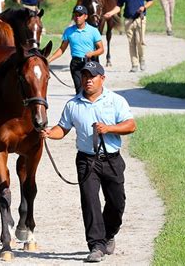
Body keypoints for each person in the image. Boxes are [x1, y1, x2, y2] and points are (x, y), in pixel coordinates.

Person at [40, 61, 136, 263]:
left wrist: (109, 129)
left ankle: (109, 234)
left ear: (102, 78)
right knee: (90, 202)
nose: (88, 80)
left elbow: (131, 125)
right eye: (84, 76)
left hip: (112, 159)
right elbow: (62, 129)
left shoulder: (115, 100)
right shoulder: (73, 105)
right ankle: (96, 246)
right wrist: (49, 133)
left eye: (92, 76)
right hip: (86, 161)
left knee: (117, 204)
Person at [104, 0, 153, 73]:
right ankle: (134, 64)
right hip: (128, 20)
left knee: (140, 42)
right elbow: (119, 6)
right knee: (131, 43)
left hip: (140, 19)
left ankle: (142, 59)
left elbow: (150, 0)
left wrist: (144, 7)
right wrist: (111, 13)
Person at [48, 5, 104, 94]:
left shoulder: (93, 31)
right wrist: (49, 60)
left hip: (90, 63)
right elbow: (62, 49)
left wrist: (92, 53)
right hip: (76, 64)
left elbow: (101, 49)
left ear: (85, 16)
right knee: (80, 91)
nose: (77, 17)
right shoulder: (69, 31)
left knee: (91, 90)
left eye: (80, 15)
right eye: (76, 15)